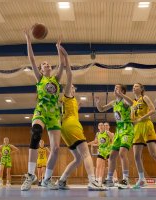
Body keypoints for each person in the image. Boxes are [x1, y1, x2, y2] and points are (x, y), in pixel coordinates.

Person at [21, 29, 66, 191]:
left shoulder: (56, 79)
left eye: (48, 63)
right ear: (40, 70)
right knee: (36, 133)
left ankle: (46, 179)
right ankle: (30, 174)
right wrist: (28, 40)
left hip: (54, 114)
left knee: (55, 149)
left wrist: (58, 46)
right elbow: (31, 60)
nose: (46, 64)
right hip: (41, 110)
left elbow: (62, 64)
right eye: (44, 64)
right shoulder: (40, 79)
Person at [56, 45, 105, 190]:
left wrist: (78, 108)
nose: (73, 88)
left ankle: (62, 180)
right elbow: (69, 75)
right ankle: (92, 181)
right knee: (85, 153)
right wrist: (65, 55)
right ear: (69, 88)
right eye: (72, 87)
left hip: (64, 128)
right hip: (72, 125)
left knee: (77, 158)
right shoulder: (67, 93)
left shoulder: (69, 101)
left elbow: (69, 111)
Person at [131, 83, 156, 189]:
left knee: (153, 154)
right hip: (137, 129)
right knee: (136, 156)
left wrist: (141, 118)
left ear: (142, 89)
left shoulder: (145, 97)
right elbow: (133, 118)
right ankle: (141, 179)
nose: (134, 87)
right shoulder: (133, 103)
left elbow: (153, 110)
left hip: (147, 125)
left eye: (136, 86)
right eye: (133, 86)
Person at [95, 84, 134, 189]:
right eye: (114, 88)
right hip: (118, 130)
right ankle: (109, 179)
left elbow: (132, 103)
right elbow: (101, 109)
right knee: (112, 156)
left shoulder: (125, 101)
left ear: (122, 91)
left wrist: (122, 95)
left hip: (127, 129)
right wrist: (98, 103)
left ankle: (125, 179)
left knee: (122, 153)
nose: (115, 89)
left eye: (117, 88)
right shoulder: (113, 102)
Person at [88, 122, 114, 186]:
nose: (101, 126)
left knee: (111, 166)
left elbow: (113, 139)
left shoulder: (107, 132)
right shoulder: (97, 134)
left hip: (108, 150)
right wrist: (88, 143)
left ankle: (114, 180)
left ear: (104, 127)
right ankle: (98, 180)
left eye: (102, 125)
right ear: (98, 127)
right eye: (99, 125)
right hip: (101, 151)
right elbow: (96, 141)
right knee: (99, 165)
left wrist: (112, 147)